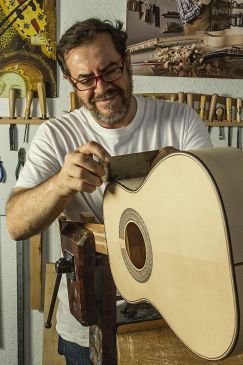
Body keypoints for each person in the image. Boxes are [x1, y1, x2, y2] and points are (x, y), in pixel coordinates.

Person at [6, 18, 212, 365]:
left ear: (127, 64)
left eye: (110, 71)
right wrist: (61, 183)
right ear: (73, 82)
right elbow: (15, 224)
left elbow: (212, 213)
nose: (101, 87)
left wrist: (180, 174)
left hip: (174, 310)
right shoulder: (56, 135)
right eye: (86, 79)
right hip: (88, 324)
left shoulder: (180, 121)